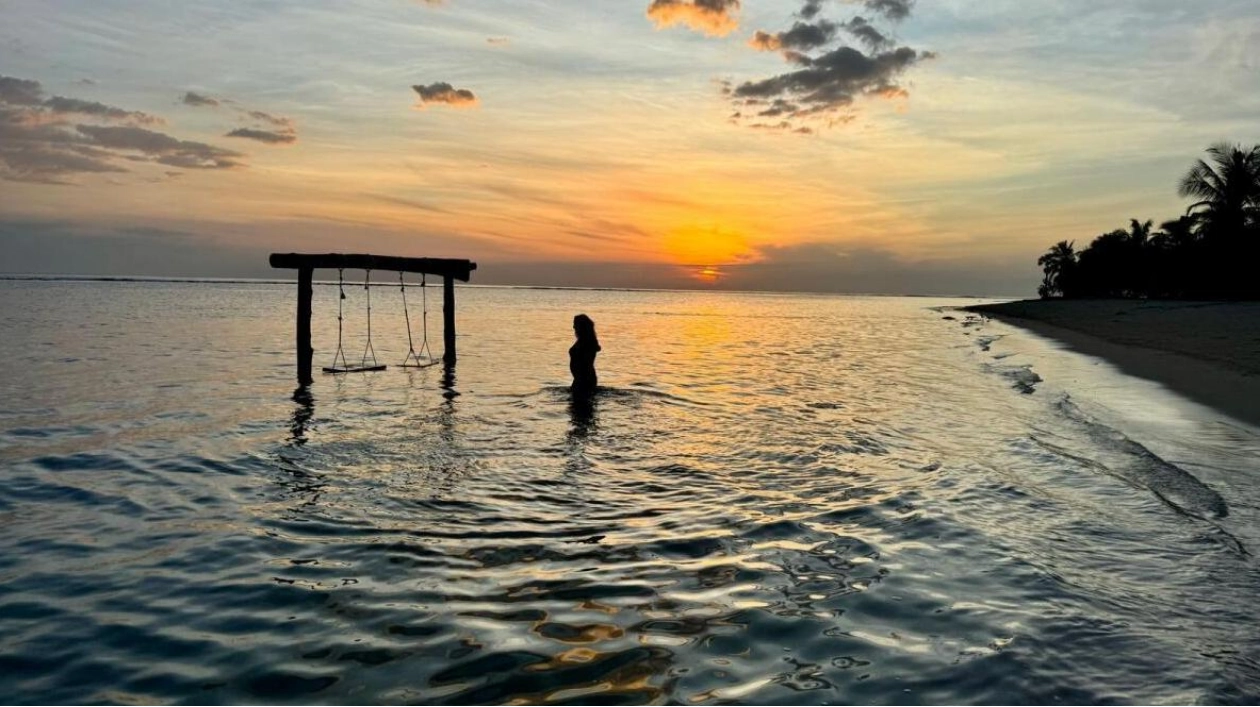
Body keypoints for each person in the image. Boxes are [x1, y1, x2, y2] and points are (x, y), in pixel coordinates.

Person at [569, 313, 600, 396]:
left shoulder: (587, 342)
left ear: (582, 326)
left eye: (575, 324)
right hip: (579, 378)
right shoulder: (582, 340)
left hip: (584, 378)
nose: (573, 327)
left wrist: (581, 378)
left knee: (581, 405)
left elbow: (587, 363)